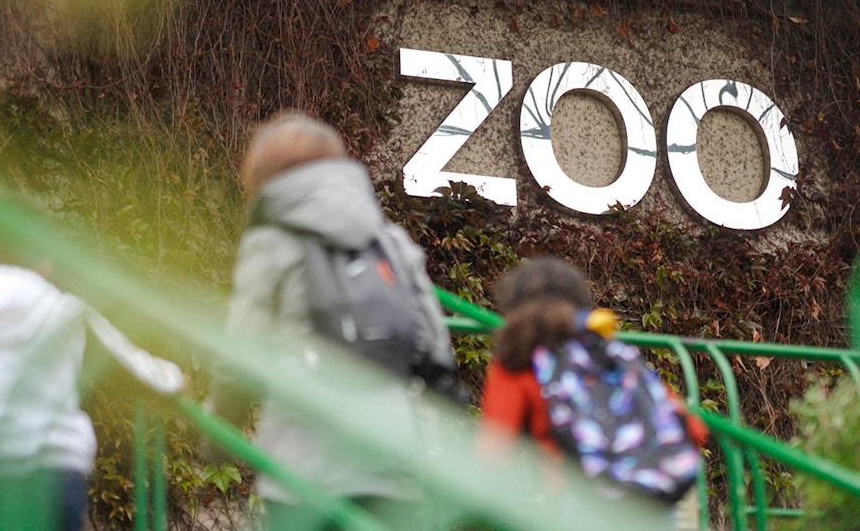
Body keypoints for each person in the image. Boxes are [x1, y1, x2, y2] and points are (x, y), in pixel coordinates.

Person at [205, 111, 457, 531]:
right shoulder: (389, 239)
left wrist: (219, 427)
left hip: (303, 461)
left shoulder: (271, 243)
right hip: (390, 455)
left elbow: (244, 347)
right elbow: (433, 341)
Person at [0, 222, 185, 531]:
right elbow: (141, 371)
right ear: (45, 261)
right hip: (55, 472)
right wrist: (173, 378)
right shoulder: (65, 311)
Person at [478, 257, 707, 529]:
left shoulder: (517, 361)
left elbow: (493, 452)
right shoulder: (609, 351)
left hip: (581, 502)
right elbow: (694, 429)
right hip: (651, 501)